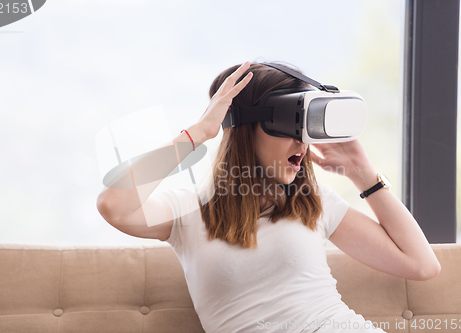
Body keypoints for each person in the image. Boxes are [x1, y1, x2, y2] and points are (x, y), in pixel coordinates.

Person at [96, 61, 441, 333]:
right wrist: (199, 133)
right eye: (291, 126)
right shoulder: (189, 211)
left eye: (306, 129)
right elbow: (114, 205)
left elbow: (421, 265)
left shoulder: (312, 202)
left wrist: (361, 171)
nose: (302, 143)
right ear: (246, 129)